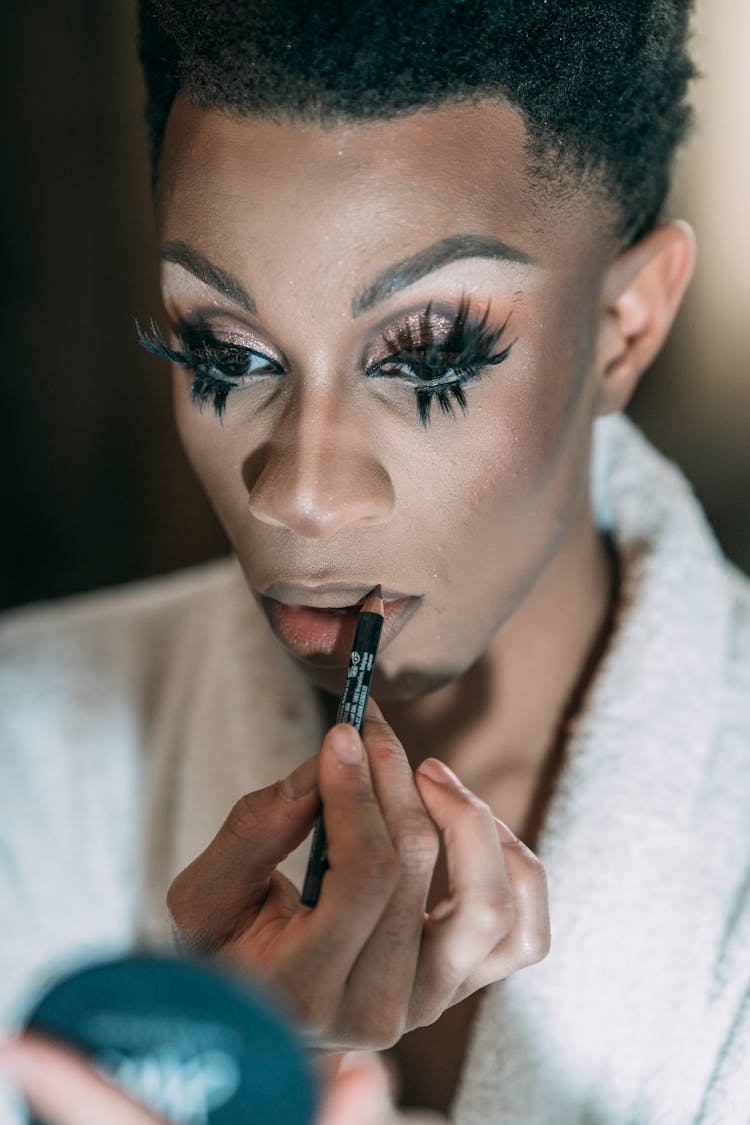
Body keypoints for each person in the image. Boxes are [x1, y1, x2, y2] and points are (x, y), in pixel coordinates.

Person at [1, 1, 748, 1122]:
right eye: (222, 351)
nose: (297, 492)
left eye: (429, 359)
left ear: (625, 325)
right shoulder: (22, 755)